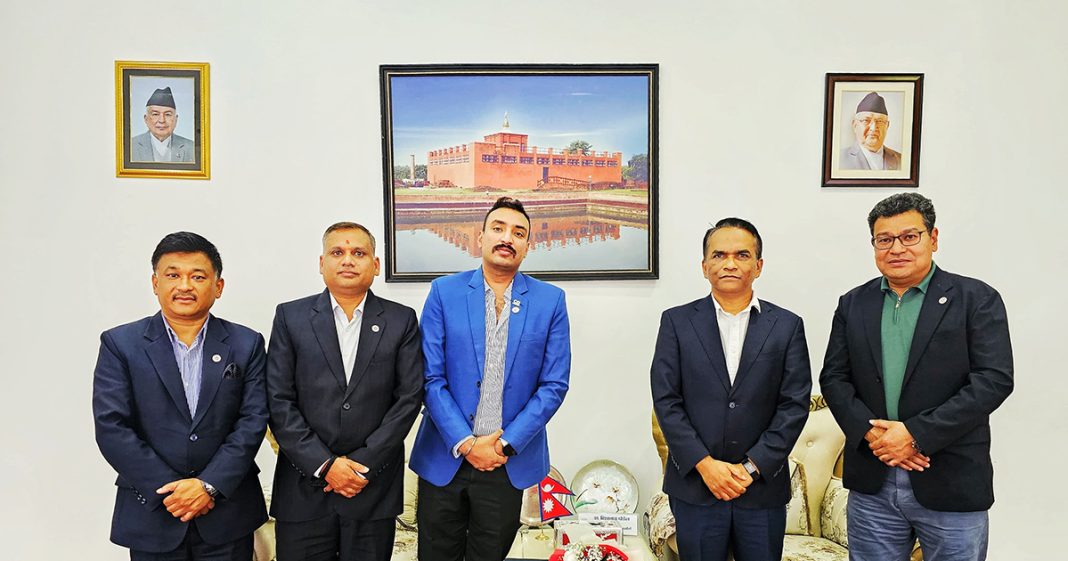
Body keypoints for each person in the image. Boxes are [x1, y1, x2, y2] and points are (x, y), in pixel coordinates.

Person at [820, 193, 1014, 561]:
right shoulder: (853, 303)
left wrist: (915, 435)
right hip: (872, 478)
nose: (896, 248)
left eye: (909, 236)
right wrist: (873, 434)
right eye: (884, 239)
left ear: (933, 238)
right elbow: (834, 377)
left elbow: (993, 380)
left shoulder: (976, 298)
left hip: (949, 478)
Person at [410, 196, 571, 561]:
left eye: (518, 233)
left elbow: (554, 385)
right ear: (480, 237)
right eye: (498, 229)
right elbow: (430, 377)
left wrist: (504, 445)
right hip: (446, 456)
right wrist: (467, 443)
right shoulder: (444, 292)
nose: (507, 238)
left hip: (507, 461)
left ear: (528, 246)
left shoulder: (550, 301)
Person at [93, 232, 268, 560]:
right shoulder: (121, 344)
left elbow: (253, 421)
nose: (185, 286)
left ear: (218, 286)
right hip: (153, 513)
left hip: (227, 514)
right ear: (155, 283)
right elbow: (112, 427)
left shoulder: (246, 343)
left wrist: (208, 486)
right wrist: (172, 491)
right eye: (173, 275)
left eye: (198, 276)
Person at [650, 218, 812, 561]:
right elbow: (666, 400)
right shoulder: (677, 322)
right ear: (704, 266)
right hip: (696, 486)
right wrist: (706, 465)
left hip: (761, 489)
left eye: (742, 255)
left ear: (758, 266)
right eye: (719, 255)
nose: (730, 263)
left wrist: (751, 468)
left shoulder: (786, 326)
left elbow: (794, 405)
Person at [266, 222, 424, 561]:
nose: (348, 260)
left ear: (375, 265)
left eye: (358, 253)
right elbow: (277, 399)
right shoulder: (291, 317)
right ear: (321, 263)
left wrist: (362, 464)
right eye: (338, 252)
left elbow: (408, 399)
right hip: (303, 489)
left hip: (371, 488)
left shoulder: (401, 320)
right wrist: (325, 465)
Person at [131, 87, 196, 163]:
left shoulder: (191, 147)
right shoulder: (131, 146)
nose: (162, 120)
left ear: (176, 119)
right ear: (146, 119)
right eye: (155, 114)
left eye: (168, 114)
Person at [840, 92, 901, 171]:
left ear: (887, 126)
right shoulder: (840, 159)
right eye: (866, 120)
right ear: (855, 125)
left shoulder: (901, 160)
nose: (873, 128)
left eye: (880, 121)